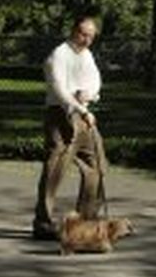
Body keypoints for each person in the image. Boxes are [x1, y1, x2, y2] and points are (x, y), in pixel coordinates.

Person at [32, 15, 107, 241]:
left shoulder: (87, 56)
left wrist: (90, 94)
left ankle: (85, 220)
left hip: (84, 116)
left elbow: (95, 79)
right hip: (61, 116)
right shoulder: (58, 55)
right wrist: (81, 110)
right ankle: (43, 223)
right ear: (73, 31)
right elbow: (59, 91)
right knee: (55, 169)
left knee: (96, 165)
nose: (86, 40)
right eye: (83, 34)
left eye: (91, 36)